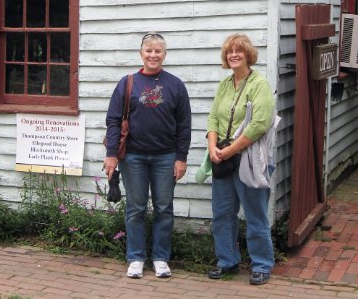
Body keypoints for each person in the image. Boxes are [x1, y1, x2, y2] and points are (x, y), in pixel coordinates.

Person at [103, 32, 191, 279]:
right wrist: (111, 155)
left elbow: (184, 125)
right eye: (149, 50)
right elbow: (112, 120)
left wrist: (181, 157)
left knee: (164, 208)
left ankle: (161, 258)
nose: (153, 55)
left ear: (165, 54)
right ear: (141, 53)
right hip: (133, 157)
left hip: (166, 157)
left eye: (158, 51)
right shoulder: (127, 82)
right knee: (136, 208)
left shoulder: (175, 85)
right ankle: (136, 257)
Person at [206, 33, 275, 286]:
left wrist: (231, 150)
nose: (233, 55)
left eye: (239, 51)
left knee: (256, 215)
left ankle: (262, 265)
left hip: (250, 160)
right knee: (222, 214)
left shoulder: (259, 84)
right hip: (223, 158)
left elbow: (259, 124)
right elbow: (213, 118)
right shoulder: (225, 84)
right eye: (229, 52)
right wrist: (213, 147)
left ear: (248, 55)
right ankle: (227, 261)